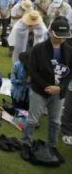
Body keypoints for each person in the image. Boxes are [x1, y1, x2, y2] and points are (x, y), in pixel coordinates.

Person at [21, 17, 72, 160]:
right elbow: (32, 71)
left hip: (58, 93)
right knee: (32, 120)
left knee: (55, 121)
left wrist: (60, 88)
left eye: (64, 37)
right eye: (58, 36)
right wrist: (46, 86)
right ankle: (25, 144)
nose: (61, 40)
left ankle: (52, 146)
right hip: (39, 90)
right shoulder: (38, 48)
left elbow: (70, 73)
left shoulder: (69, 50)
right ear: (50, 32)